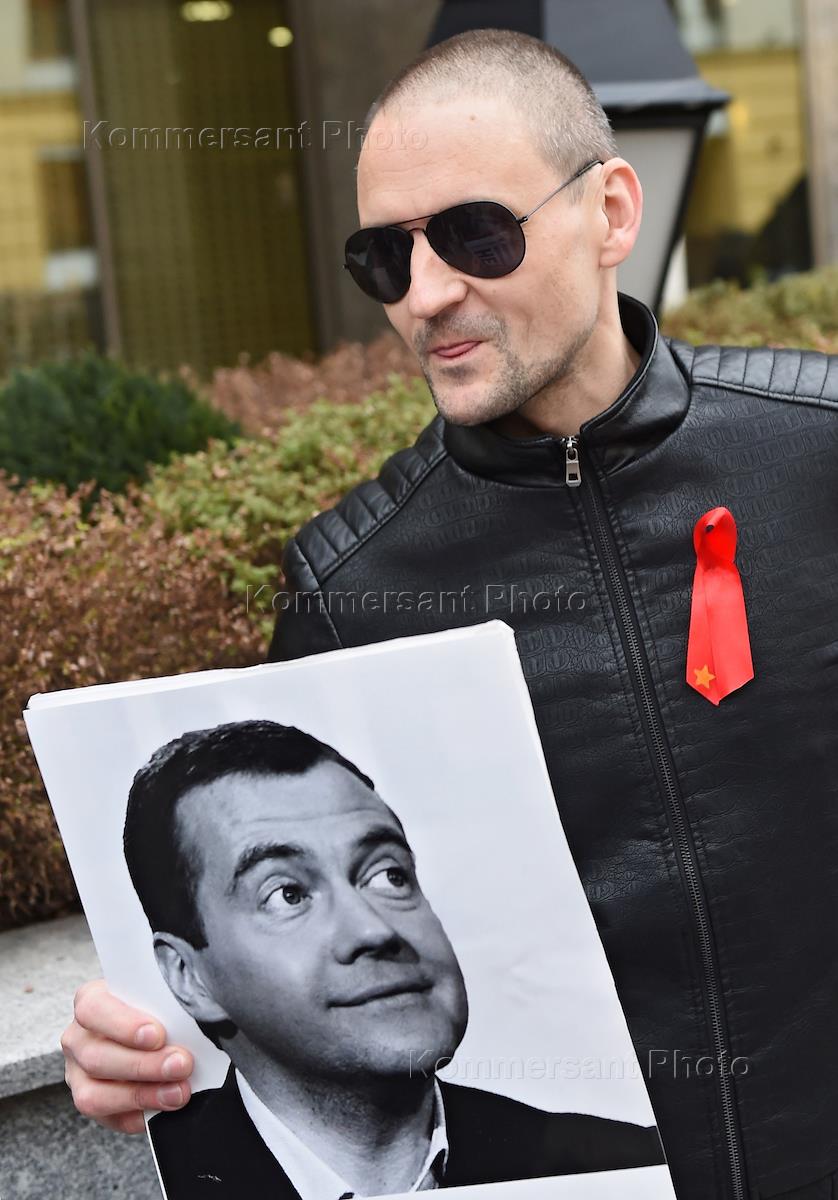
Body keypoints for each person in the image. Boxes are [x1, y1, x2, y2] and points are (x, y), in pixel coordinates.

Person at [60, 28, 838, 1200]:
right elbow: (277, 955)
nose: (425, 295)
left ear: (610, 213)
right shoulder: (350, 589)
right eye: (386, 255)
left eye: (477, 233)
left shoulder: (816, 455)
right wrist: (136, 1052)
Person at [122, 718, 662, 1197]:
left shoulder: (628, 1168)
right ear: (190, 977)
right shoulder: (145, 1177)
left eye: (389, 875)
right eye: (287, 894)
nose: (374, 929)